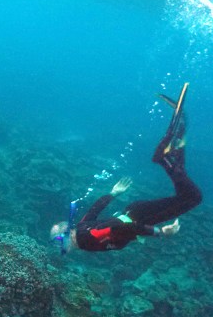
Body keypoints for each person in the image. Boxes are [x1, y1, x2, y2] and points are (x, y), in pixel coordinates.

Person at [50, 83, 202, 253]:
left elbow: (118, 227)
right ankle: (175, 149)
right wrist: (113, 193)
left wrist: (159, 232)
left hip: (139, 217)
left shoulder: (86, 239)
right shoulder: (80, 230)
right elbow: (95, 209)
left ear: (66, 234)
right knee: (187, 197)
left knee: (193, 197)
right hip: (135, 212)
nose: (58, 247)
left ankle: (165, 157)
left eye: (57, 241)